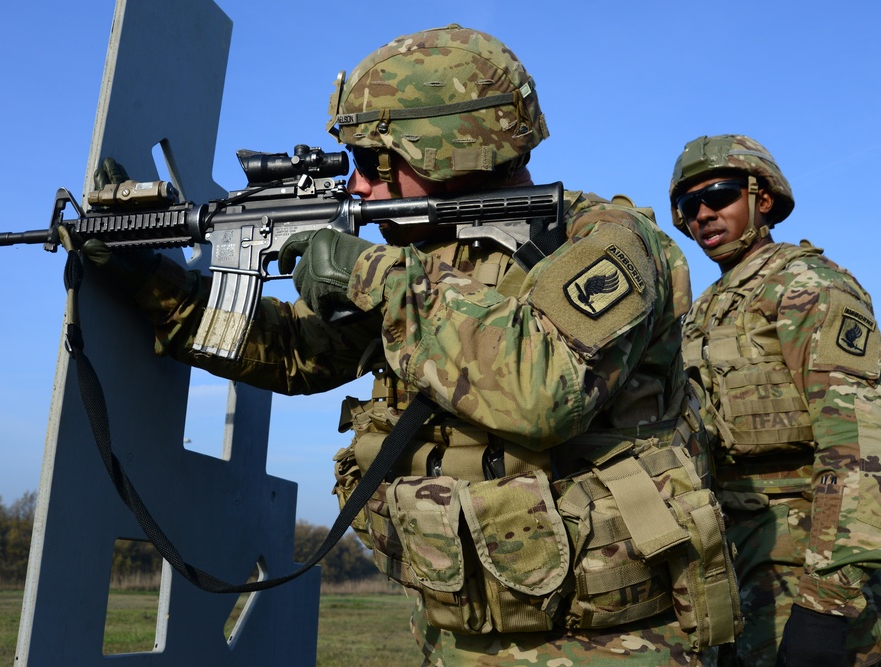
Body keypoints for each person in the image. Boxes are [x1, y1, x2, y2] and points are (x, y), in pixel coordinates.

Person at [87, 26, 740, 665]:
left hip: (611, 639)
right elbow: (297, 352)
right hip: (461, 620)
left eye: (375, 162)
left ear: (447, 148)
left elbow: (541, 388)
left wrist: (365, 272)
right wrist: (154, 283)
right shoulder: (429, 260)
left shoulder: (607, 241)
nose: (360, 186)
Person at [668, 134, 881, 666]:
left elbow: (859, 446)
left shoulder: (807, 285)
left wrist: (827, 606)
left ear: (762, 198)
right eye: (690, 205)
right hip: (734, 562)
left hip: (806, 567)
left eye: (719, 195)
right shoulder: (705, 309)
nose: (704, 215)